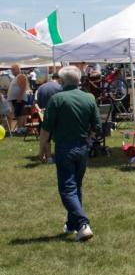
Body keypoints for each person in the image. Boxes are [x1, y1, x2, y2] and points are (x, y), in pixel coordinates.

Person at [39, 65, 100, 242]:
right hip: (82, 147)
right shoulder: (89, 98)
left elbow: (46, 128)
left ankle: (82, 224)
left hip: (65, 147)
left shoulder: (57, 99)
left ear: (62, 81)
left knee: (67, 188)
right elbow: (97, 126)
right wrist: (89, 140)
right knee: (75, 186)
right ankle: (73, 224)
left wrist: (42, 149)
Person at [7, 64, 29, 134]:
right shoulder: (16, 77)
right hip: (16, 99)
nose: (12, 71)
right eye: (11, 70)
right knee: (18, 113)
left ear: (18, 69)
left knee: (20, 113)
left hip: (19, 99)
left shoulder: (21, 76)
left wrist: (19, 98)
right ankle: (20, 128)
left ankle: (20, 128)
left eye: (14, 69)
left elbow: (23, 87)